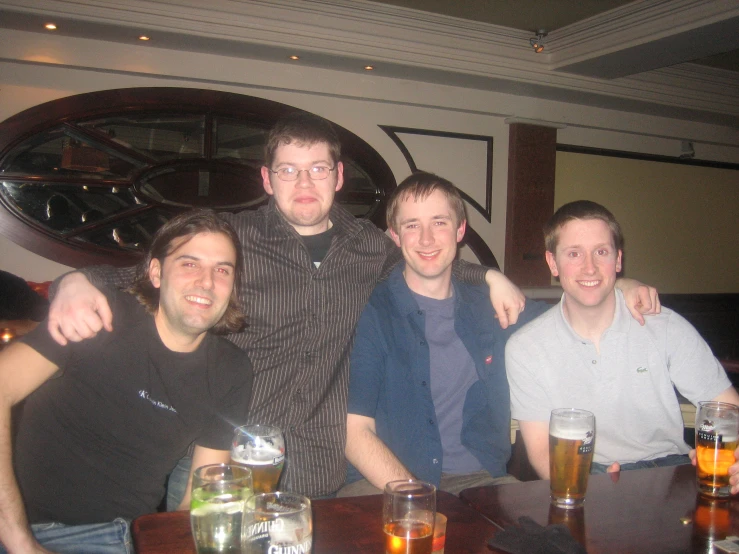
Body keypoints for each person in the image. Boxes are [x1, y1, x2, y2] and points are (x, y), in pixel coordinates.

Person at [43, 113, 530, 500]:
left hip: (322, 473)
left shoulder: (368, 247)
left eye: (318, 168)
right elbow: (151, 276)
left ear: (337, 176)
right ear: (266, 178)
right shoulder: (232, 238)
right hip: (224, 463)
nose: (304, 182)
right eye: (288, 170)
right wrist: (76, 280)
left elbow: (425, 258)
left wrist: (487, 275)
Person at [339, 176, 659, 497]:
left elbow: (572, 313)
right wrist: (414, 500)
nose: (426, 238)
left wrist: (620, 285)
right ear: (394, 235)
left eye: (439, 222)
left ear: (460, 230)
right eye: (411, 225)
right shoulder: (373, 312)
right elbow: (355, 435)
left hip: (479, 482)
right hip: (384, 483)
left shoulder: (492, 307)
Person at [0, 210, 253, 554]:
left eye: (222, 270)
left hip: (128, 538)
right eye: (189, 264)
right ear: (156, 272)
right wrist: (20, 543)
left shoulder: (231, 370)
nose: (207, 282)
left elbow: (200, 494)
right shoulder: (102, 316)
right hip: (28, 529)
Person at [505, 200, 739, 479]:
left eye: (601, 252)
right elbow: (543, 453)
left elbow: (729, 408)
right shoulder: (526, 348)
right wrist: (587, 487)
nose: (589, 267)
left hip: (670, 470)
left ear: (617, 259)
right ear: (552, 263)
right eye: (574, 254)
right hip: (584, 475)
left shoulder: (665, 327)